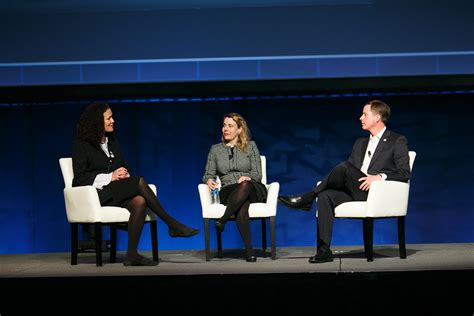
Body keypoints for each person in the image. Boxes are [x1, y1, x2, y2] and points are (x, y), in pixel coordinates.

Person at [278, 100, 410, 263]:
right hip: (356, 189)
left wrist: (379, 177)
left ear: (377, 118)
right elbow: (349, 174)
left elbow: (404, 173)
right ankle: (324, 251)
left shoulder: (396, 140)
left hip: (377, 192)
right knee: (326, 195)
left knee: (344, 167)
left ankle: (308, 197)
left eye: (365, 114)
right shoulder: (360, 143)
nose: (360, 117)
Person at [72, 101, 199, 266]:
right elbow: (79, 179)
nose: (113, 121)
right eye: (109, 118)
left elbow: (123, 165)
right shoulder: (82, 145)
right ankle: (171, 224)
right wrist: (110, 176)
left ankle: (131, 255)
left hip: (114, 192)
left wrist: (124, 174)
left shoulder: (112, 143)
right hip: (96, 196)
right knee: (139, 181)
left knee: (140, 201)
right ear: (97, 121)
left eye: (112, 117)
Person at [202, 113, 267, 262]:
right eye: (224, 125)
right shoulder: (215, 149)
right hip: (229, 190)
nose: (225, 129)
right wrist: (208, 180)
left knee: (244, 186)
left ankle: (222, 220)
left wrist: (249, 178)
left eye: (230, 126)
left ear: (239, 129)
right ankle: (249, 250)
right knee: (241, 205)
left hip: (252, 187)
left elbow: (258, 173)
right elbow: (208, 174)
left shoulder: (251, 146)